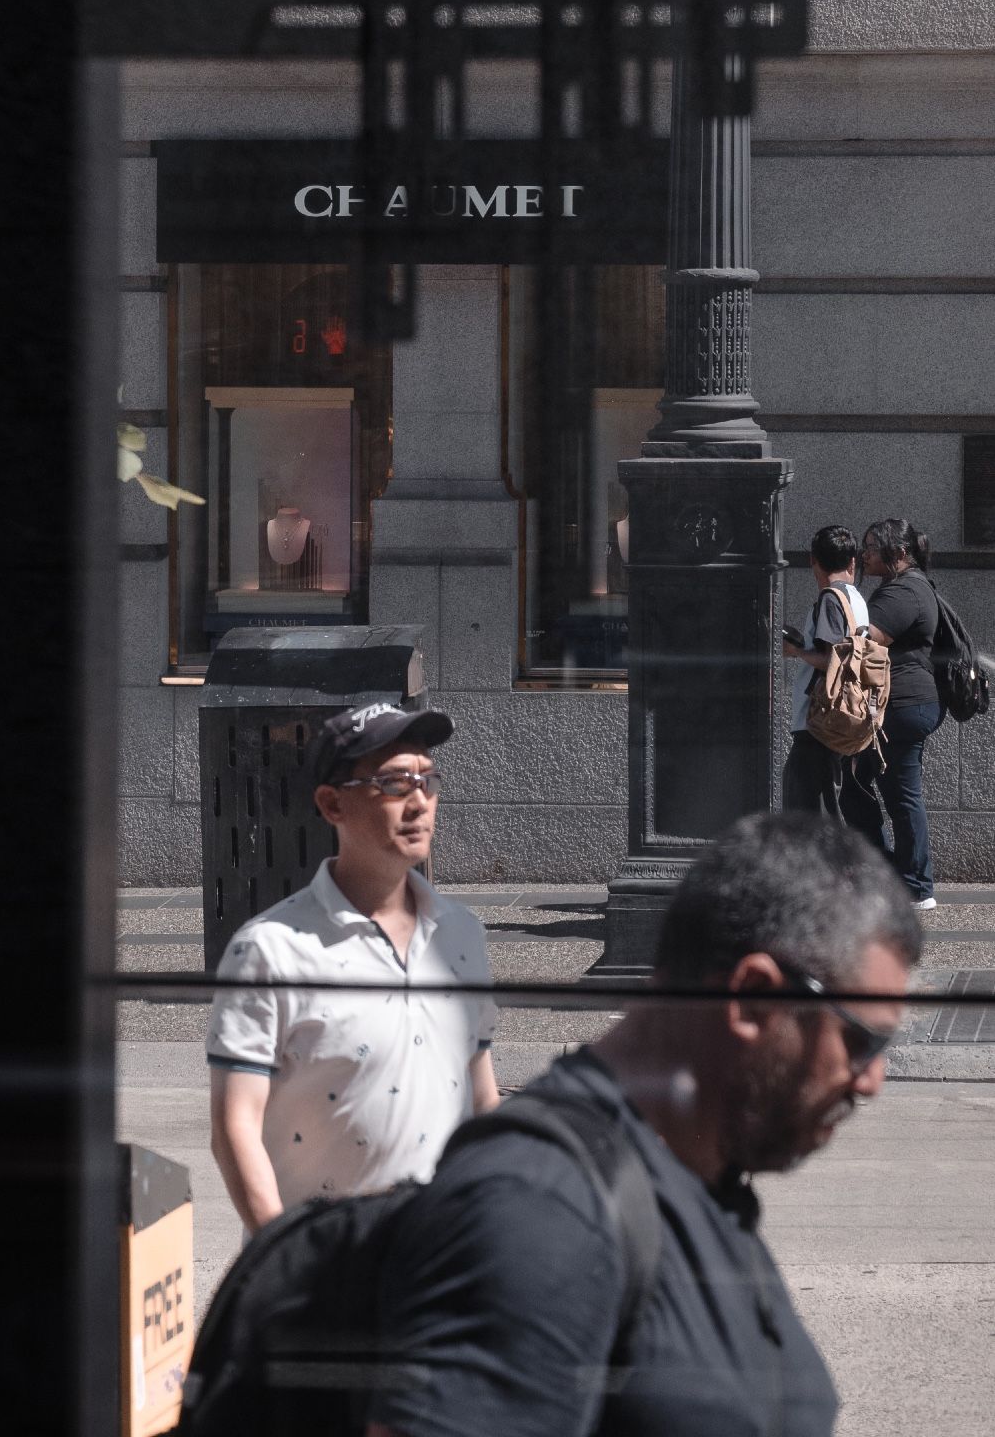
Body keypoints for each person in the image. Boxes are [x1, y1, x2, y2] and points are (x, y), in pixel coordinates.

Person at [365, 812, 921, 1437]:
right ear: (754, 998)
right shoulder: (538, 1208)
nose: (872, 1081)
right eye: (860, 1042)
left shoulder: (697, 1184)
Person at [206, 701, 498, 1230]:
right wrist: (284, 1259)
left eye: (428, 781)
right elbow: (234, 1127)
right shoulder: (269, 951)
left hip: (442, 1262)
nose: (419, 803)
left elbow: (481, 1096)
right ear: (332, 805)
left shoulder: (461, 934)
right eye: (393, 784)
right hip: (324, 1276)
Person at [839, 517, 942, 909]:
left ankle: (915, 885)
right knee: (861, 785)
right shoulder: (904, 587)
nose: (863, 555)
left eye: (870, 548)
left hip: (901, 706)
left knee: (896, 794)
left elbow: (864, 642)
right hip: (902, 706)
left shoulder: (903, 592)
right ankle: (894, 876)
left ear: (898, 553)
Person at [781, 523, 873, 821]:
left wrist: (796, 651)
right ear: (852, 561)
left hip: (819, 723)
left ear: (813, 561)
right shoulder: (856, 599)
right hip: (840, 722)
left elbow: (833, 659)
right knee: (826, 811)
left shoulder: (831, 599)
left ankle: (826, 869)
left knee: (807, 815)